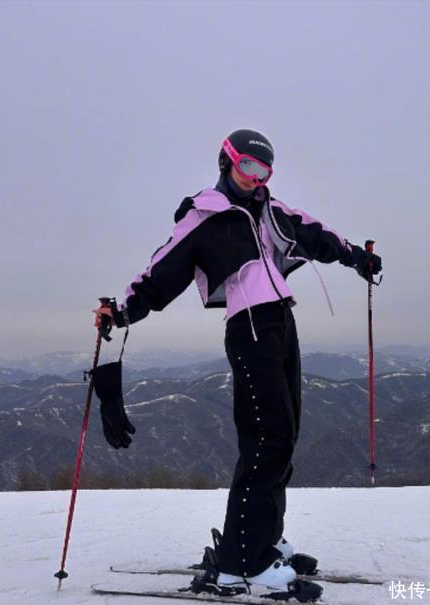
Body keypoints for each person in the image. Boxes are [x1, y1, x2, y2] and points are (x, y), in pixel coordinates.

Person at [92, 129, 382, 596]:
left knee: (284, 433)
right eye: (247, 166)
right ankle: (243, 563)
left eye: (264, 170)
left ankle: (264, 539)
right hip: (248, 326)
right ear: (226, 162)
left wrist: (355, 259)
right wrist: (121, 310)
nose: (255, 178)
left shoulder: (270, 211)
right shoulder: (206, 215)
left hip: (280, 321)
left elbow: (315, 232)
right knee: (267, 437)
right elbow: (162, 269)